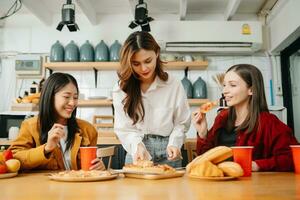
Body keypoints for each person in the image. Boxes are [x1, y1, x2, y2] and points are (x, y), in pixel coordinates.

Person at [192, 64, 299, 172]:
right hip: (220, 182)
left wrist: (257, 165)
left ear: (251, 90)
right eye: (224, 85)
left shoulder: (268, 122)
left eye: (232, 85)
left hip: (253, 186)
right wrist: (202, 134)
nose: (225, 91)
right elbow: (205, 159)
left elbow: (291, 158)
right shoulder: (222, 118)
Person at [113, 31, 191, 168]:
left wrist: (174, 143)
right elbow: (123, 128)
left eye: (148, 61)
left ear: (157, 53)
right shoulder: (121, 89)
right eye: (136, 63)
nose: (143, 68)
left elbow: (181, 122)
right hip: (137, 152)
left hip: (169, 152)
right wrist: (137, 146)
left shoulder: (173, 84)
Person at [9, 73, 105, 171]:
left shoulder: (88, 129)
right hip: (43, 186)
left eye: (75, 97)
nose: (72, 103)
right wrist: (46, 148)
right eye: (66, 97)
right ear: (50, 97)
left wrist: (98, 168)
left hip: (78, 186)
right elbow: (15, 159)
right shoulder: (30, 126)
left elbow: (89, 170)